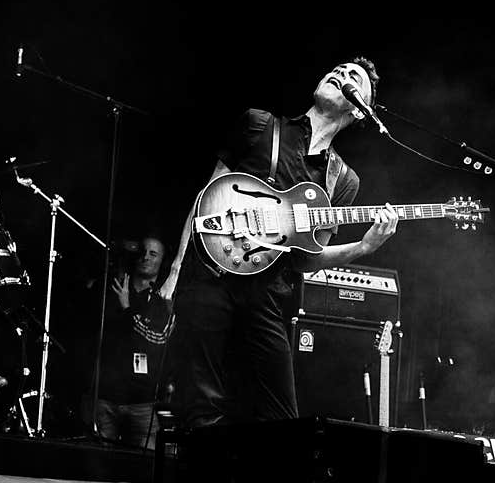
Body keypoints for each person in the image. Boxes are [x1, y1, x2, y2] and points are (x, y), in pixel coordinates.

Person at [160, 57, 398, 432]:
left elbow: (306, 261)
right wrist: (175, 269)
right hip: (211, 276)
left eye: (354, 77)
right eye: (337, 69)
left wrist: (364, 248)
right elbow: (206, 198)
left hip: (267, 295)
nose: (340, 74)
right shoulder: (259, 124)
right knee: (200, 408)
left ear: (360, 110)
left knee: (281, 422)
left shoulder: (342, 181)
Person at [94, 235, 175, 449]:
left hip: (142, 401)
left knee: (144, 465)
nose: (145, 257)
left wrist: (127, 309)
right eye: (143, 251)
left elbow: (156, 340)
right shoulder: (113, 286)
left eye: (153, 253)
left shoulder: (163, 299)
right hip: (105, 396)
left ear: (162, 261)